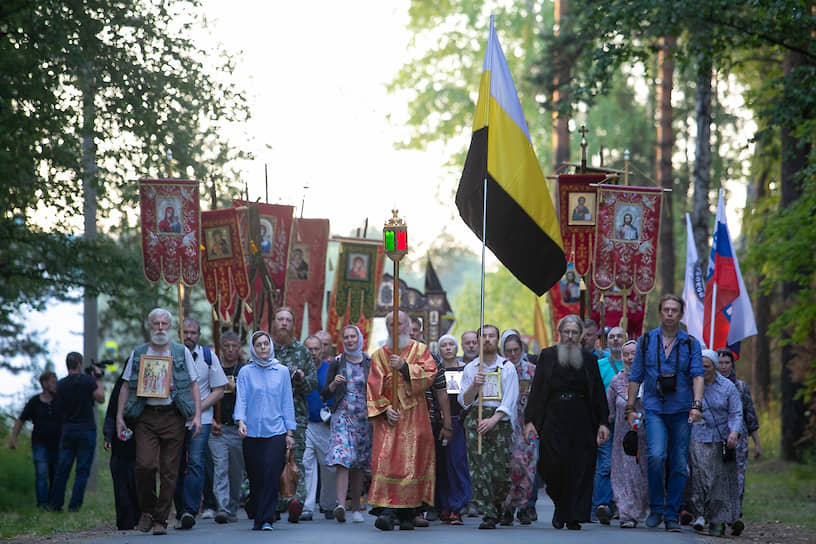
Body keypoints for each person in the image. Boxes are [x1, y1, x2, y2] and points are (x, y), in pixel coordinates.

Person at [116, 308, 202, 536]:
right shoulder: (139, 353)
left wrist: (197, 416)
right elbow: (125, 385)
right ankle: (148, 509)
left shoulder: (180, 351)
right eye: (156, 324)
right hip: (145, 416)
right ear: (150, 326)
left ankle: (160, 520)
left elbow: (194, 384)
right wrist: (119, 417)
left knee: (169, 471)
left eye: (164, 324)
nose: (161, 328)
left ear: (170, 327)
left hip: (173, 416)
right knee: (144, 465)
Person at [524, 315, 610, 531]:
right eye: (566, 332)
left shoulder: (589, 360)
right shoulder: (548, 356)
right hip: (553, 417)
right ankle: (561, 505)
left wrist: (602, 422)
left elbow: (598, 392)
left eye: (574, 332)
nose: (570, 337)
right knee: (551, 466)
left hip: (582, 418)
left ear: (580, 335)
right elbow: (538, 389)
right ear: (559, 334)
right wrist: (531, 421)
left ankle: (571, 515)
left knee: (580, 467)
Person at [626, 294, 704, 532]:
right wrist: (630, 407)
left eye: (674, 310)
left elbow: (698, 375)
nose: (670, 314)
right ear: (660, 313)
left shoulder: (690, 344)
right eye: (666, 310)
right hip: (654, 408)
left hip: (681, 410)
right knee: (656, 456)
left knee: (680, 463)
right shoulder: (646, 341)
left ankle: (672, 513)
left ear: (681, 315)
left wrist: (697, 405)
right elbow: (636, 376)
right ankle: (656, 507)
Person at [367, 310, 438, 531]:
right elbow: (372, 388)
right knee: (387, 463)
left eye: (399, 323)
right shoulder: (378, 355)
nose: (395, 327)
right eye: (390, 324)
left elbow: (430, 374)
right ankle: (388, 512)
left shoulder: (420, 350)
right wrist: (386, 409)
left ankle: (408, 514)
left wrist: (405, 368)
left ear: (408, 326)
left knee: (412, 463)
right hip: (389, 420)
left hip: (415, 417)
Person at [459, 324, 520, 530]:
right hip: (476, 418)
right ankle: (489, 513)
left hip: (499, 420)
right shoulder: (470, 368)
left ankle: (499, 503)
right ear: (477, 341)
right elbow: (464, 401)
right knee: (479, 468)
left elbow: (510, 399)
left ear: (497, 340)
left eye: (492, 336)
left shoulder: (507, 367)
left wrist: (493, 419)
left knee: (499, 471)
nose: (487, 340)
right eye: (483, 336)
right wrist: (474, 386)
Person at [234, 330, 296, 531]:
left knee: (271, 474)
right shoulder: (245, 372)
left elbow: (287, 402)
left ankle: (266, 519)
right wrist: (240, 421)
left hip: (276, 431)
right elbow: (241, 399)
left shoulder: (282, 371)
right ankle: (258, 513)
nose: (263, 347)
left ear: (271, 346)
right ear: (253, 348)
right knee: (255, 476)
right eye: (259, 344)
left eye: (265, 344)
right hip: (251, 432)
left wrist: (289, 432)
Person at [173, 318, 227, 530]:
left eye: (193, 332)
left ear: (199, 334)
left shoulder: (208, 356)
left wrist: (197, 409)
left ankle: (190, 509)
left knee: (196, 462)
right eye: (185, 332)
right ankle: (179, 508)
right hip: (174, 420)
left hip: (201, 419)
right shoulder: (170, 354)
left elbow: (220, 389)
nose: (189, 336)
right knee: (175, 465)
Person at [688, 350, 742, 537]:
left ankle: (716, 520)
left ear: (715, 367)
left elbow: (736, 413)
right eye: (700, 366)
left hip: (721, 439)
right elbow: (685, 413)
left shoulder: (728, 387)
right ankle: (700, 514)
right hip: (698, 436)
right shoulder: (693, 385)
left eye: (707, 367)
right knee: (700, 477)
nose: (703, 370)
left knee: (718, 481)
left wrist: (734, 432)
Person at [271, 306, 317, 522]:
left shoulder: (302, 351)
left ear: (293, 324)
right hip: (269, 414)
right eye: (280, 319)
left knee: (295, 458)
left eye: (288, 320)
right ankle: (273, 502)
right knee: (271, 459)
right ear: (274, 322)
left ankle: (294, 501)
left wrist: (300, 380)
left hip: (296, 414)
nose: (283, 323)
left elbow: (312, 384)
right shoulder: (265, 348)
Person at [323, 325, 372, 524]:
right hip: (342, 414)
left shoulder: (369, 362)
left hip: (363, 416)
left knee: (358, 462)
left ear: (359, 339)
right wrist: (334, 383)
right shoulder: (336, 362)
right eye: (346, 337)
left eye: (353, 336)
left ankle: (357, 507)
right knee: (343, 457)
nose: (350, 340)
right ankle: (341, 504)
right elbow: (325, 393)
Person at [49, 352, 105, 512]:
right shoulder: (88, 381)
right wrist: (98, 379)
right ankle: (74, 506)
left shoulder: (60, 384)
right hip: (86, 429)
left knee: (62, 469)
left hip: (67, 429)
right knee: (82, 470)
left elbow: (57, 407)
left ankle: (55, 504)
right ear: (79, 364)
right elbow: (100, 398)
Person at [717, 347, 760, 535]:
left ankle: (734, 515)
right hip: (717, 435)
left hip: (739, 437)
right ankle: (718, 516)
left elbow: (750, 415)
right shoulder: (707, 385)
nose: (723, 366)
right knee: (718, 474)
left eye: (727, 363)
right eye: (720, 363)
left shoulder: (741, 387)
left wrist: (757, 442)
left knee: (737, 476)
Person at [607, 340, 648, 528]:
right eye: (626, 354)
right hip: (622, 437)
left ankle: (641, 511)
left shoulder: (649, 379)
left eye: (634, 354)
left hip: (646, 436)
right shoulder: (616, 382)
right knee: (623, 474)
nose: (630, 358)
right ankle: (626, 513)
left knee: (641, 475)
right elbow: (610, 411)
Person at [9, 370, 62, 509]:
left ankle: (54, 505)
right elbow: (21, 420)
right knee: (41, 473)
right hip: (40, 444)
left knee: (56, 475)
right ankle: (43, 505)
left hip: (58, 443)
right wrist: (14, 438)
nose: (55, 385)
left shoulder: (60, 400)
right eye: (53, 382)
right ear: (44, 384)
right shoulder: (34, 402)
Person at [499, 332, 536, 526]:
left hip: (526, 424)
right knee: (509, 467)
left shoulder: (532, 371)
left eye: (516, 350)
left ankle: (523, 505)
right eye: (508, 351)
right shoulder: (499, 370)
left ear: (521, 350)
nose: (512, 354)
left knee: (526, 466)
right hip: (505, 424)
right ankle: (507, 507)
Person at [434, 334, 471, 525]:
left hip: (460, 421)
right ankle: (443, 506)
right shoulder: (435, 370)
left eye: (451, 345)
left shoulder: (466, 369)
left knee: (457, 464)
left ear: (456, 348)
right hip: (440, 422)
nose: (448, 348)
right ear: (439, 350)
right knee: (441, 465)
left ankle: (458, 507)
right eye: (444, 345)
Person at [209, 331, 245, 524]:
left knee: (235, 471)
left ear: (239, 348)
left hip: (237, 428)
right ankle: (221, 507)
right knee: (220, 468)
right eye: (226, 346)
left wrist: (233, 386)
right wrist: (212, 420)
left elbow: (249, 396)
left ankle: (232, 505)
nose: (230, 350)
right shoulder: (214, 369)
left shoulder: (244, 371)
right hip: (218, 428)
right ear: (221, 348)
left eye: (234, 346)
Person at [301, 334, 337, 521]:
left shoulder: (329, 369)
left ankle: (328, 504)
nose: (313, 353)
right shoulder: (299, 371)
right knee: (307, 464)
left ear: (322, 350)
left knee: (328, 466)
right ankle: (307, 507)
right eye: (309, 349)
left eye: (316, 349)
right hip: (305, 424)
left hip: (325, 424)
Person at [593, 326, 626, 524]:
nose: (615, 340)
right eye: (612, 337)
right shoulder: (600, 365)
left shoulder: (635, 363)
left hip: (629, 423)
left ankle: (622, 505)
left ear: (627, 339)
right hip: (606, 422)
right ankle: (602, 504)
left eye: (619, 336)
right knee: (605, 464)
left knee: (626, 465)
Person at [103, 365, 140, 530]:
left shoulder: (145, 389)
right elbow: (111, 413)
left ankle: (141, 517)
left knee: (138, 482)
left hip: (140, 444)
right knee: (121, 484)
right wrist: (107, 436)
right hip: (120, 445)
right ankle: (125, 521)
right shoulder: (120, 388)